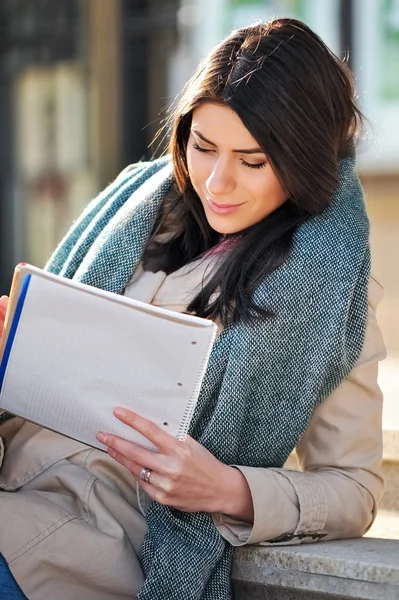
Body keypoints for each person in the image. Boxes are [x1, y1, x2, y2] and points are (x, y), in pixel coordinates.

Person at [0, 17, 386, 600]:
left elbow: (354, 489)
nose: (216, 181)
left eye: (252, 161)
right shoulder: (131, 210)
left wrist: (229, 489)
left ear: (305, 159)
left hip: (84, 544)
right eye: (202, 147)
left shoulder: (331, 297)